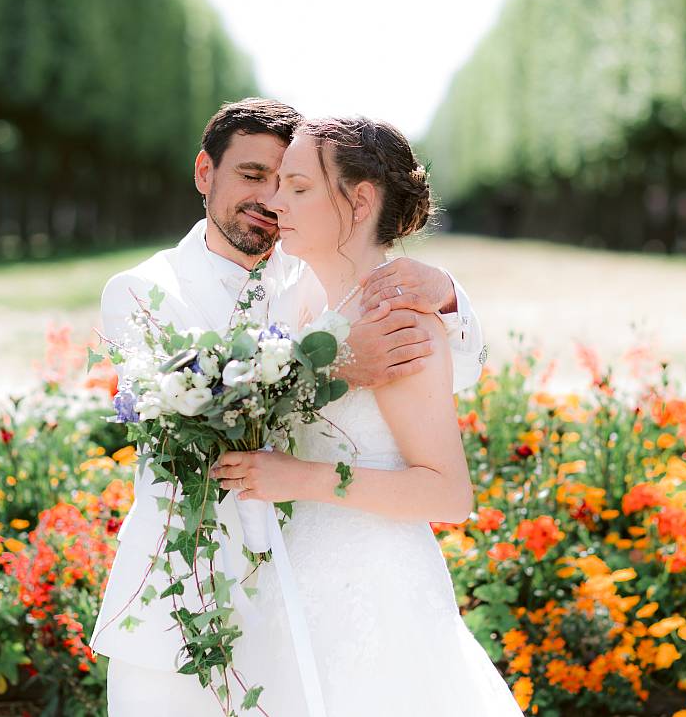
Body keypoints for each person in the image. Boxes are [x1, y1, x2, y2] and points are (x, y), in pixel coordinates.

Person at [93, 99, 489, 716]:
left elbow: (442, 371)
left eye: (290, 183)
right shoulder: (146, 291)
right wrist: (330, 361)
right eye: (254, 176)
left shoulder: (310, 276)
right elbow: (181, 417)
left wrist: (449, 297)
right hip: (190, 590)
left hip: (321, 586)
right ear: (205, 173)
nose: (273, 200)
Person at [214, 116, 524, 716]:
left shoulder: (400, 320)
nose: (275, 201)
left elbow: (449, 494)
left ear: (358, 202)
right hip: (295, 575)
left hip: (375, 588)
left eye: (299, 187)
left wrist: (297, 479)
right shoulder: (293, 300)